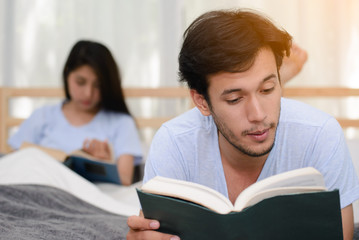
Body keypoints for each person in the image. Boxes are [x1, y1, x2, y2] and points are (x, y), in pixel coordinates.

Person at [126, 9, 359, 240]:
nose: (258, 115)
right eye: (235, 99)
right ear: (201, 101)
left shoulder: (320, 135)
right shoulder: (174, 142)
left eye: (267, 89)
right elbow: (153, 231)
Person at [8, 40, 143, 186]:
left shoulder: (122, 123)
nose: (88, 93)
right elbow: (13, 166)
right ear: (67, 75)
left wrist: (104, 165)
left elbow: (125, 181)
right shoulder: (42, 116)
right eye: (80, 82)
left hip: (88, 201)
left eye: (98, 85)